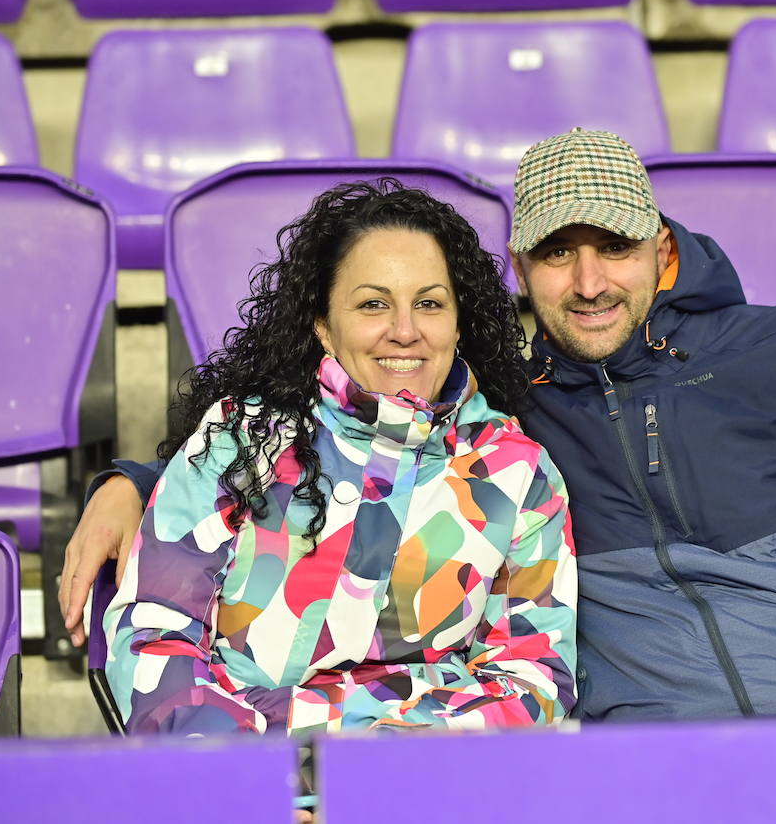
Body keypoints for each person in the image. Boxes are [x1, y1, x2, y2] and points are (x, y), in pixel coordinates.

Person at [68, 129, 776, 719]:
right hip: (656, 767)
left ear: (662, 253)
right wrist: (136, 482)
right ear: (518, 273)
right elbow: (326, 424)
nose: (589, 282)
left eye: (615, 247)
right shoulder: (511, 408)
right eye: (558, 253)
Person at [100, 180, 576, 736]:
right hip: (245, 781)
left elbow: (533, 678)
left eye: (429, 303)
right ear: (324, 326)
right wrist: (255, 775)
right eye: (373, 304)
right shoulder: (241, 435)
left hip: (423, 784)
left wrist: (382, 765)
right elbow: (154, 630)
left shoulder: (517, 472)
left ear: (457, 323)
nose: (405, 331)